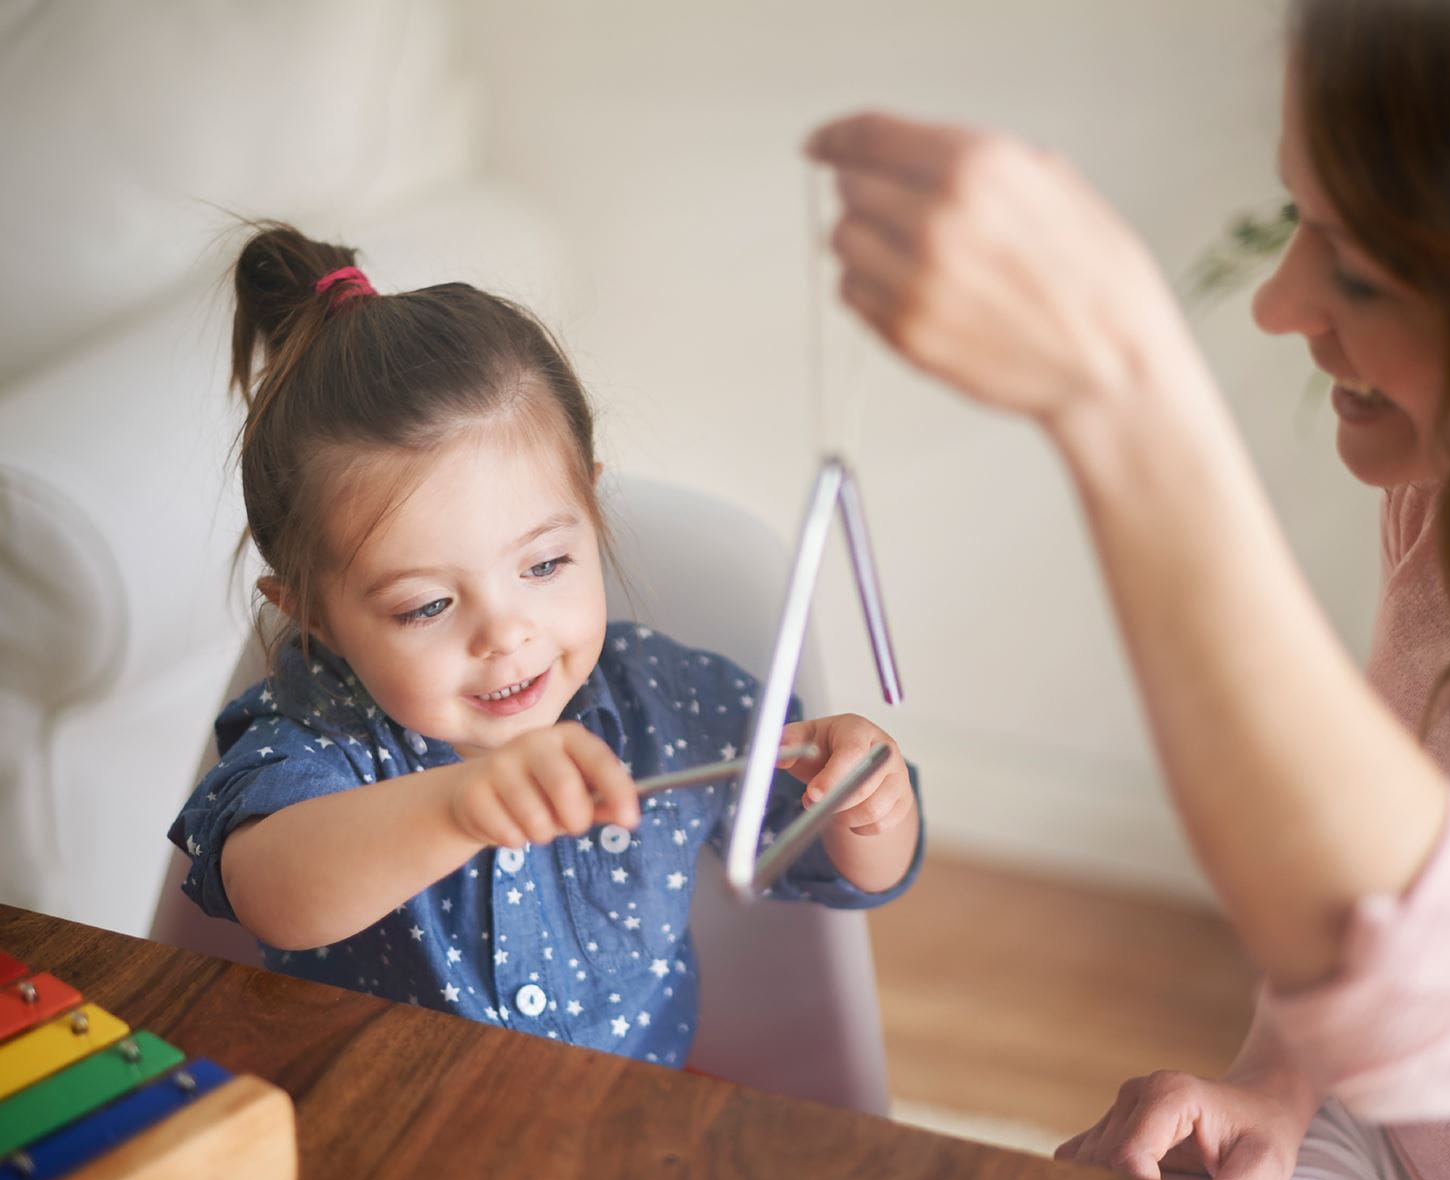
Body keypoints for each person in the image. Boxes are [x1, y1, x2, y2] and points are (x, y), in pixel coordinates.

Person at [807, 0, 1450, 1180]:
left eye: (1355, 265)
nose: (1279, 301)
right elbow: (1376, 844)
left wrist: (1122, 391)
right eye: (1301, 216)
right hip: (1401, 1142)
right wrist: (1278, 1078)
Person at [169, 224, 921, 1068]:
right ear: (311, 615)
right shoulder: (316, 731)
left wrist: (865, 799)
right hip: (374, 1142)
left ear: (591, 515)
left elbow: (846, 865)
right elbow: (273, 892)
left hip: (613, 1142)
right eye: (425, 607)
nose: (505, 632)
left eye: (546, 563)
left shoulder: (672, 705)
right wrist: (458, 806)